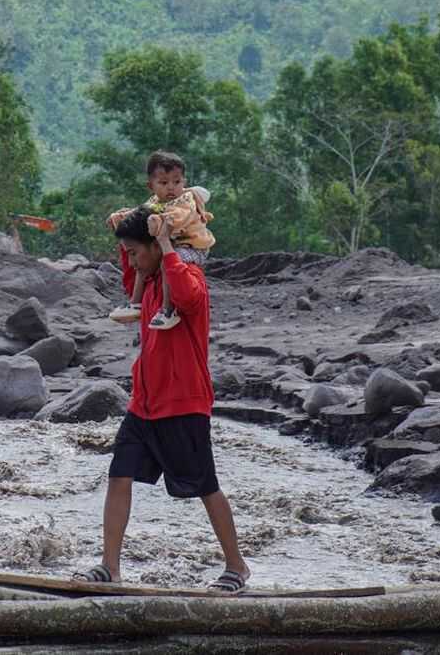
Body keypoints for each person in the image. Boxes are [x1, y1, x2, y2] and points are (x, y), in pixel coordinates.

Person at [73, 206, 250, 593]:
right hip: (145, 404)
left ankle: (237, 567)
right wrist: (126, 238)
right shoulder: (150, 281)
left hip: (183, 403)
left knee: (206, 486)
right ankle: (110, 567)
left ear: (158, 247)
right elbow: (131, 275)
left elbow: (186, 297)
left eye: (136, 252)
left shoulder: (188, 278)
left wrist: (167, 242)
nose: (132, 261)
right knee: (119, 476)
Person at [106, 151, 214, 330]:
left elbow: (178, 217)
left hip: (193, 246)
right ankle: (135, 302)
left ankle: (168, 309)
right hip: (172, 245)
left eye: (177, 182)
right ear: (151, 185)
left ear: (184, 182)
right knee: (145, 266)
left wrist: (161, 225)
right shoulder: (155, 201)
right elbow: (143, 212)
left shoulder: (185, 201)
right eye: (164, 183)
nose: (171, 187)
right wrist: (123, 218)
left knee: (167, 262)